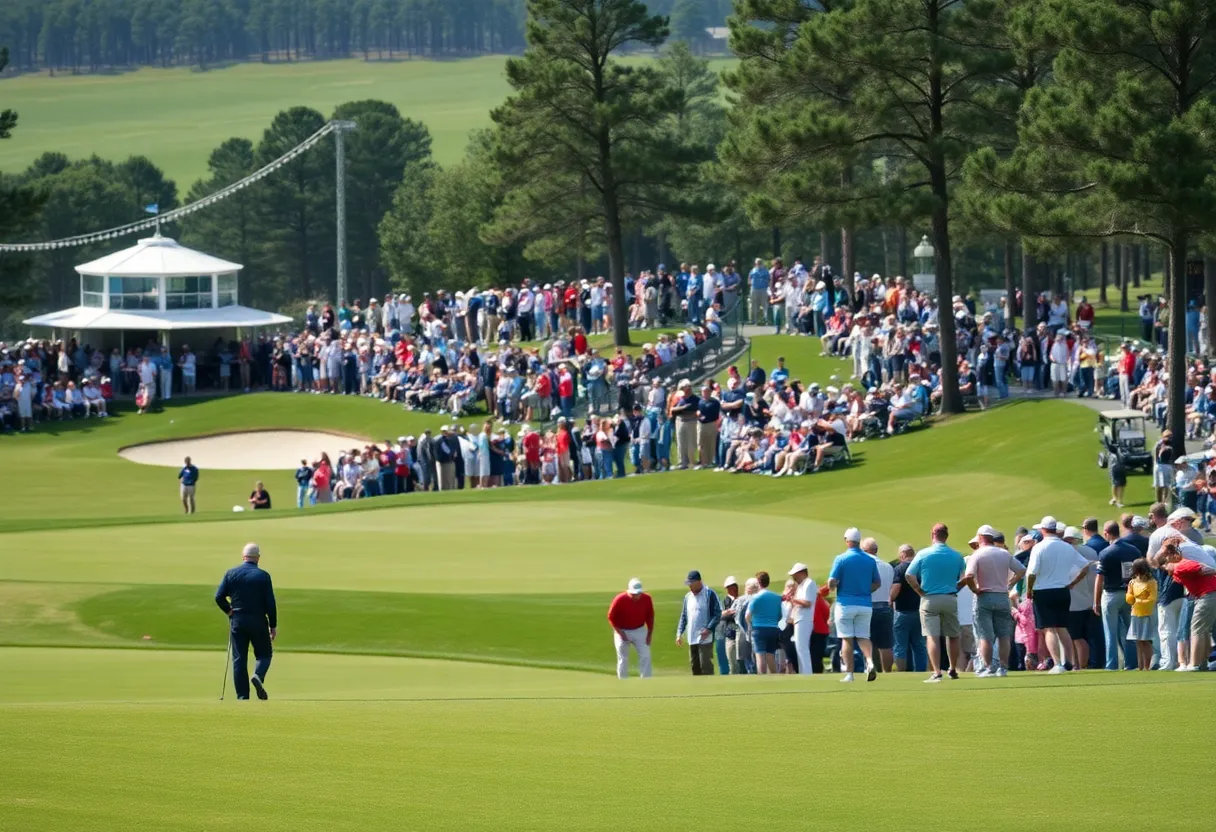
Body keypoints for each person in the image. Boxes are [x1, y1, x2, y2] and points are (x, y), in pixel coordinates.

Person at [1026, 517, 1093, 674]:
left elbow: (1031, 573)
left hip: (1043, 591)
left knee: (1049, 628)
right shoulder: (1067, 547)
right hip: (1063, 590)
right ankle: (1068, 661)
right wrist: (1073, 583)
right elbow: (1085, 566)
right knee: (1062, 627)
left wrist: (1029, 590)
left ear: (1043, 530)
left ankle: (1057, 663)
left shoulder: (1039, 547)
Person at [214, 543, 277, 700]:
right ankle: (258, 676)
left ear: (243, 557)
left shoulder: (231, 573)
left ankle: (242, 697)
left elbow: (218, 597)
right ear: (258, 558)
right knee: (264, 654)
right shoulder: (263, 576)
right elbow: (270, 603)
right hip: (258, 620)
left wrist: (229, 610)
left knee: (239, 659)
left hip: (238, 620)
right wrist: (273, 624)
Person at [906, 523, 967, 682]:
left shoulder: (923, 554)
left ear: (933, 534)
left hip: (929, 598)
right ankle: (953, 669)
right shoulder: (956, 555)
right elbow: (964, 578)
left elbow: (909, 575)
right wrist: (956, 587)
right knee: (953, 635)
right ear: (947, 536)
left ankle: (937, 671)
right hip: (950, 597)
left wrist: (919, 591)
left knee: (932, 636)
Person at [965, 525, 1025, 677]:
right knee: (1004, 635)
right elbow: (1021, 570)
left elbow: (969, 576)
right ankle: (1003, 667)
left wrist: (975, 589)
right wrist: (1010, 583)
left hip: (984, 596)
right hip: (1002, 596)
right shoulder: (1004, 553)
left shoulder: (977, 554)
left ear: (980, 537)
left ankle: (988, 667)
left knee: (985, 635)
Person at [1156, 537, 1216, 671]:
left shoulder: (1181, 566)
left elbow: (1206, 569)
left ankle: (1194, 664)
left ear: (1171, 558)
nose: (1165, 568)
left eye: (1165, 564)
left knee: (1197, 629)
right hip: (1207, 594)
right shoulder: (1177, 571)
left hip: (1209, 594)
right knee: (1204, 630)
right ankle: (1202, 663)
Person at [828, 529, 880, 682]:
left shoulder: (841, 559)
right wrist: (864, 590)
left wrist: (832, 585)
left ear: (846, 540)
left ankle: (850, 674)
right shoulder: (870, 560)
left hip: (845, 604)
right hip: (865, 604)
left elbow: (832, 581)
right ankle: (869, 662)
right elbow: (877, 583)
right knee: (863, 636)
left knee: (847, 638)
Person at [1095, 520, 1140, 670]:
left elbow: (1099, 578)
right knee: (1130, 632)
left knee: (1111, 633)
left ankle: (1112, 665)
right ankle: (1131, 663)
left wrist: (1096, 601)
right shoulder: (1133, 550)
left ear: (1107, 533)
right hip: (1130, 593)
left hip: (1111, 594)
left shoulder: (1106, 552)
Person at [890, 543, 928, 672]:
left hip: (903, 612)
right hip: (920, 610)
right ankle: (921, 671)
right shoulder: (921, 567)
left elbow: (896, 589)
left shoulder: (899, 569)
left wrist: (889, 599)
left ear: (902, 554)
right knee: (919, 645)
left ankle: (902, 673)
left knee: (900, 645)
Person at [607, 578, 654, 679]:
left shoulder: (647, 598)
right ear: (629, 591)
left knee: (646, 656)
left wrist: (649, 634)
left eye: (638, 593)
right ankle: (623, 683)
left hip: (640, 630)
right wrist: (620, 633)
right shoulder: (619, 599)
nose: (637, 596)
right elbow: (611, 616)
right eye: (634, 594)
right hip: (622, 630)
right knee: (623, 659)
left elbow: (650, 616)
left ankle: (647, 682)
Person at [675, 570, 721, 675]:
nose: (690, 587)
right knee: (694, 666)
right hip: (692, 637)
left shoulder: (709, 594)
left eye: (691, 584)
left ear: (698, 582)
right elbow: (684, 616)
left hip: (705, 637)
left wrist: (708, 629)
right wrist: (679, 634)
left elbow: (717, 614)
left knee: (705, 665)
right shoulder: (688, 597)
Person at [861, 537, 895, 673]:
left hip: (868, 606)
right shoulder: (887, 566)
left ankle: (871, 668)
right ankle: (887, 671)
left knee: (868, 642)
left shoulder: (864, 565)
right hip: (885, 606)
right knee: (885, 644)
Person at [746, 571, 783, 674]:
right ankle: (775, 676)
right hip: (773, 628)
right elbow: (780, 615)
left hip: (759, 628)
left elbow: (747, 616)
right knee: (770, 655)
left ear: (758, 582)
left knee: (760, 656)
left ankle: (762, 678)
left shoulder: (756, 597)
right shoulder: (777, 597)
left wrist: (751, 624)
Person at [1126, 559, 1157, 671]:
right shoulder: (1132, 582)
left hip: (1146, 613)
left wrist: (1139, 601)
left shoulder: (1151, 582)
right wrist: (1130, 597)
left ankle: (1147, 666)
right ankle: (1140, 666)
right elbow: (1129, 595)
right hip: (1135, 613)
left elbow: (1152, 598)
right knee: (1138, 640)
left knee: (1144, 640)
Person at [718, 577, 741, 675]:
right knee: (732, 664)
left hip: (742, 635)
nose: (734, 589)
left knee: (742, 663)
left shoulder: (740, 599)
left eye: (735, 586)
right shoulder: (725, 601)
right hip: (730, 634)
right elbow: (720, 616)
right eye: (731, 587)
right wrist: (728, 613)